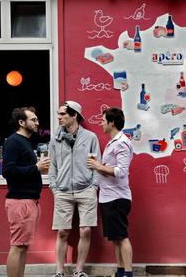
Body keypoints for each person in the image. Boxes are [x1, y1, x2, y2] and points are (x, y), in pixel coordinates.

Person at [48, 101, 100, 277]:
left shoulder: (90, 137)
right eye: (59, 114)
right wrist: (54, 188)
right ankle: (59, 271)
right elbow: (52, 166)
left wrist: (93, 187)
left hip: (86, 190)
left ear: (74, 115)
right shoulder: (55, 140)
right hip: (62, 191)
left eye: (63, 114)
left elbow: (96, 164)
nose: (59, 117)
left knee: (85, 230)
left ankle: (79, 270)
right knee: (63, 232)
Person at [2, 107, 50, 277]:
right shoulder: (14, 141)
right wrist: (35, 167)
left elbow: (24, 169)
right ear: (21, 122)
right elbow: (7, 171)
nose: (37, 122)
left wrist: (36, 169)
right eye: (33, 120)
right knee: (17, 246)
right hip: (20, 202)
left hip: (29, 201)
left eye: (37, 119)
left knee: (23, 246)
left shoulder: (25, 142)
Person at [87, 107, 134, 277]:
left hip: (117, 197)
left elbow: (121, 171)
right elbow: (108, 169)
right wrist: (98, 166)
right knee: (116, 237)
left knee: (121, 236)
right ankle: (120, 272)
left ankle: (128, 273)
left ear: (111, 122)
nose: (101, 123)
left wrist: (97, 165)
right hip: (108, 197)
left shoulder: (121, 142)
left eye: (103, 120)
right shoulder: (113, 141)